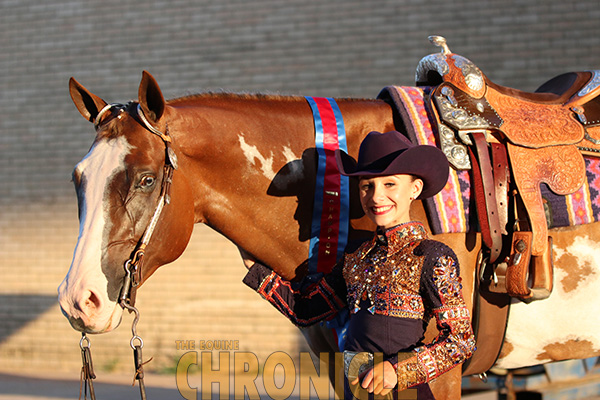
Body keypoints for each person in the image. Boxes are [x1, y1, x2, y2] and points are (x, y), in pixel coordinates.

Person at [241, 130, 475, 399]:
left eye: (389, 185)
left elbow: (461, 341)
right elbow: (305, 310)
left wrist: (398, 371)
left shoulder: (432, 256)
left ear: (415, 188)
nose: (376, 197)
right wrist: (255, 269)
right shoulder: (355, 259)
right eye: (367, 186)